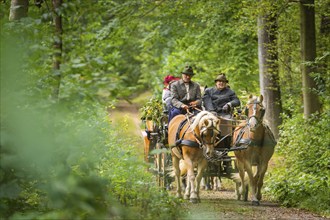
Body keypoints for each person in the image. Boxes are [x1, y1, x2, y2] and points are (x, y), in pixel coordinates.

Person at [203, 73, 241, 174]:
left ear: (225, 83)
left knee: (226, 125)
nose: (221, 83)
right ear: (216, 83)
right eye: (219, 81)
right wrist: (211, 111)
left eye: (223, 82)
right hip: (211, 114)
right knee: (209, 125)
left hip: (225, 115)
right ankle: (208, 148)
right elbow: (206, 101)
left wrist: (229, 104)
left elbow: (237, 101)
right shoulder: (208, 91)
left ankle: (225, 151)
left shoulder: (230, 92)